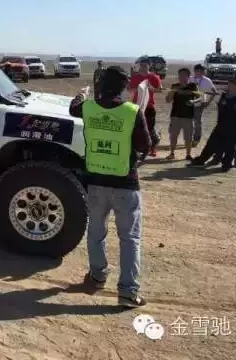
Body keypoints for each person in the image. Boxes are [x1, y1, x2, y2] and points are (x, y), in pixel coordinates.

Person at [69, 66, 151, 308]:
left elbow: (73, 107)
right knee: (130, 239)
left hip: (96, 182)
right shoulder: (132, 111)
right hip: (125, 184)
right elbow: (144, 145)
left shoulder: (87, 108)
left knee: (96, 233)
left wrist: (82, 94)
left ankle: (97, 276)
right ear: (123, 87)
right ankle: (128, 292)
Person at [189, 77, 236, 172]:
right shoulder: (223, 95)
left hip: (233, 127)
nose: (230, 85)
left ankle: (226, 165)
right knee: (211, 144)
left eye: (233, 83)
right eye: (229, 82)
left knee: (230, 147)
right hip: (220, 124)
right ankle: (200, 161)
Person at [128, 58, 163, 157]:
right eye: (141, 65)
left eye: (145, 65)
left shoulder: (154, 77)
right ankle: (137, 148)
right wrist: (138, 89)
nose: (143, 67)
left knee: (150, 128)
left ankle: (153, 148)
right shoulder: (135, 77)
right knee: (136, 128)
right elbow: (129, 89)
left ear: (149, 66)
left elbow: (160, 90)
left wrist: (151, 88)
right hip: (136, 107)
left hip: (149, 106)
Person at [165, 68, 201, 160]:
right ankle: (172, 153)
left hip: (188, 116)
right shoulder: (174, 86)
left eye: (183, 75)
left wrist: (193, 101)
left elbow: (200, 98)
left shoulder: (193, 86)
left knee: (188, 137)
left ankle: (188, 154)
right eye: (180, 75)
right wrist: (172, 92)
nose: (181, 77)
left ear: (188, 76)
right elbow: (168, 100)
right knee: (173, 136)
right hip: (175, 115)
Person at [189, 64, 218, 146]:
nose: (201, 72)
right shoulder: (190, 79)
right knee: (189, 122)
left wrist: (208, 102)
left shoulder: (207, 80)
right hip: (189, 104)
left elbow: (214, 92)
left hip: (200, 104)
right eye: (199, 70)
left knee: (197, 122)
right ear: (195, 71)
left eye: (202, 70)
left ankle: (196, 139)